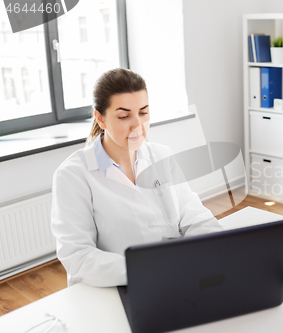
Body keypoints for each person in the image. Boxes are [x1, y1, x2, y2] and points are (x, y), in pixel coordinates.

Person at [51, 68, 222, 287]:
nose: (138, 126)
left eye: (143, 113)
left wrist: (218, 246)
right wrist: (148, 269)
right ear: (100, 118)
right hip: (115, 288)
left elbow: (193, 214)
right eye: (124, 116)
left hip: (175, 279)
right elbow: (79, 256)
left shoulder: (162, 155)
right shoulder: (73, 175)